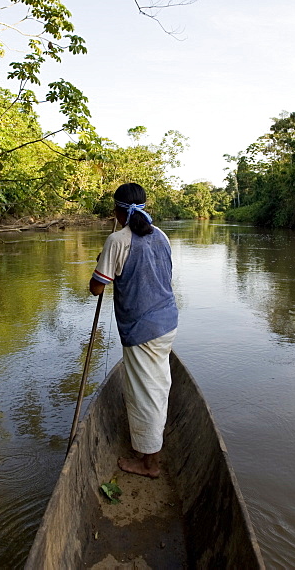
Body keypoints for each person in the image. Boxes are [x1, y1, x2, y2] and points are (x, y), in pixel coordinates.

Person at [89, 183, 178, 479]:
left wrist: (105, 267)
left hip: (141, 329)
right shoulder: (161, 235)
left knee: (145, 394)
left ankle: (149, 464)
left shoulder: (118, 240)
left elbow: (96, 287)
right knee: (158, 385)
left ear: (116, 211)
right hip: (167, 322)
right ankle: (149, 446)